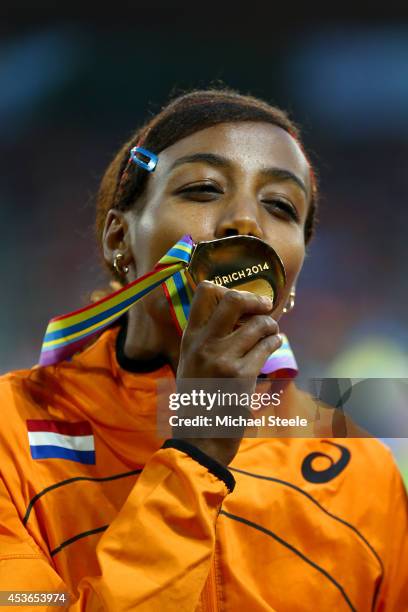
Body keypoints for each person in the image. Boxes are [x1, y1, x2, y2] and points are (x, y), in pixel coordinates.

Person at [0, 88, 407, 611]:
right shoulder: (10, 436)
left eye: (281, 206)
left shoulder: (361, 472)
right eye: (202, 189)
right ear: (118, 239)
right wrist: (197, 451)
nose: (246, 224)